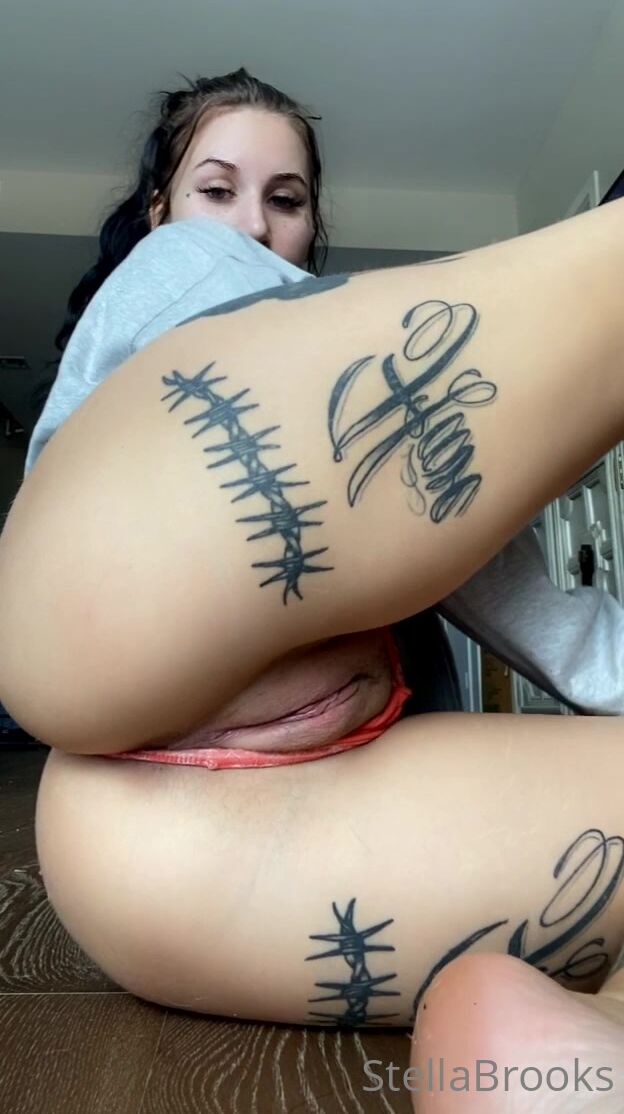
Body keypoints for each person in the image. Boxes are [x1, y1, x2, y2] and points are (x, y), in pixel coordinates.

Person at [1, 68, 624, 1112]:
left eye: (285, 201)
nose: (252, 223)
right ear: (157, 206)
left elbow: (452, 524)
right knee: (238, 295)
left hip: (165, 866)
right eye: (216, 188)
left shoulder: (372, 443)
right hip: (89, 652)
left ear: (313, 224)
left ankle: (595, 1042)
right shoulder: (177, 267)